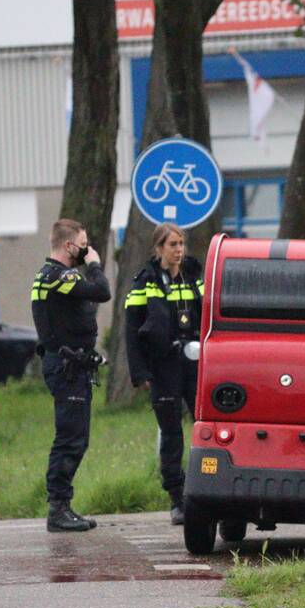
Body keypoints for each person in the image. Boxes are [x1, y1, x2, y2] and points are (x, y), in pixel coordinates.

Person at [31, 218, 111, 532]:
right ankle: (58, 509)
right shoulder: (58, 275)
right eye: (83, 243)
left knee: (76, 438)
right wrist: (95, 265)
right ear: (68, 246)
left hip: (71, 365)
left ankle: (63, 506)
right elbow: (102, 291)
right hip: (66, 368)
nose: (87, 249)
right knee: (70, 439)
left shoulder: (53, 277)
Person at [125, 224, 205, 526]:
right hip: (163, 365)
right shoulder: (145, 282)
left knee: (204, 427)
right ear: (159, 248)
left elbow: (209, 312)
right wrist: (139, 371)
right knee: (171, 433)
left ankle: (206, 489)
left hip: (195, 361)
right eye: (172, 244)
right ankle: (177, 496)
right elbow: (131, 330)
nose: (179, 249)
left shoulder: (193, 276)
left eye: (182, 243)